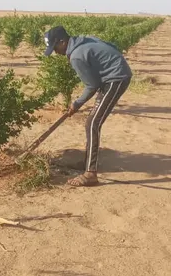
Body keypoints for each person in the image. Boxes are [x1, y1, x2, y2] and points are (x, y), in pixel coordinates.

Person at [44, 25, 132, 187]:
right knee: (92, 122)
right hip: (111, 76)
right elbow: (111, 46)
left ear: (62, 42)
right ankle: (88, 164)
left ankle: (90, 173)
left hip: (116, 78)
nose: (55, 52)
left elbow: (92, 85)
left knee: (92, 124)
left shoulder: (76, 56)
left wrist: (76, 104)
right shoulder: (82, 40)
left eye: (55, 47)